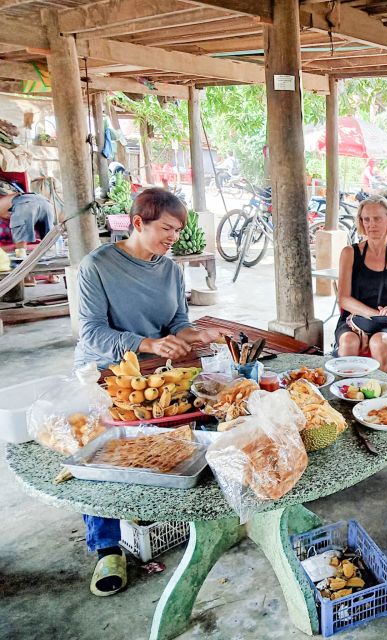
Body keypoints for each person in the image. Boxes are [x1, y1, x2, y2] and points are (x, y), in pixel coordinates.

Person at [73, 188, 224, 596]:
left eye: (178, 230)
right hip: (105, 369)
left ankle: (162, 512)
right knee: (104, 451)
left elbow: (177, 321)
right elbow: (91, 332)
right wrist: (149, 344)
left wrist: (197, 334)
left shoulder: (171, 269)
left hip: (155, 369)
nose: (172, 237)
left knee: (183, 430)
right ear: (138, 223)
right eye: (166, 229)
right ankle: (106, 546)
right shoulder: (98, 266)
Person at [335, 195, 387, 379]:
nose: (371, 224)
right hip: (354, 319)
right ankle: (347, 402)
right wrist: (374, 316)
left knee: (378, 343)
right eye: (366, 219)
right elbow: (343, 298)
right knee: (349, 342)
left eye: (377, 219)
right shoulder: (350, 253)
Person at [0, 182, 55, 254]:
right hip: (45, 203)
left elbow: (12, 219)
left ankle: (22, 260)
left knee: (20, 242)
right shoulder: (10, 197)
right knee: (48, 239)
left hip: (25, 204)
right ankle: (51, 256)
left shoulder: (4, 205)